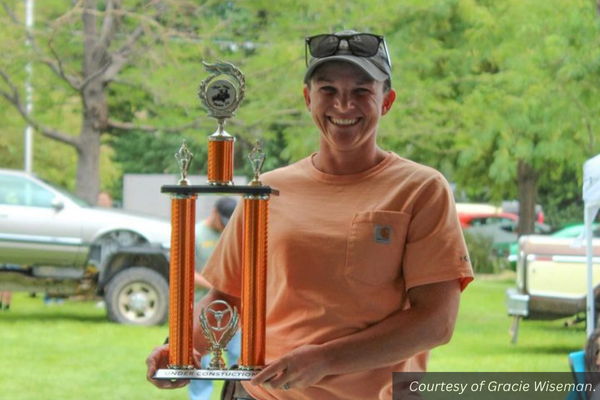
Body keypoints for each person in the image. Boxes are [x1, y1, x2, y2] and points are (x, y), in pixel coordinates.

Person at [147, 29, 473, 400]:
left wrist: (323, 359)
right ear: (308, 98)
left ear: (387, 101)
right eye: (328, 90)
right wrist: (179, 350)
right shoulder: (267, 189)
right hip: (259, 395)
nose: (343, 106)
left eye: (362, 92)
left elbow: (435, 322)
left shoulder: (421, 189)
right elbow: (226, 299)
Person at [189, 197, 241, 400]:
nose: (225, 225)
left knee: (238, 354)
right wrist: (217, 287)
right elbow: (187, 271)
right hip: (202, 307)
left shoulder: (231, 235)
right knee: (199, 361)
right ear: (214, 212)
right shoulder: (196, 233)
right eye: (223, 220)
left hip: (232, 308)